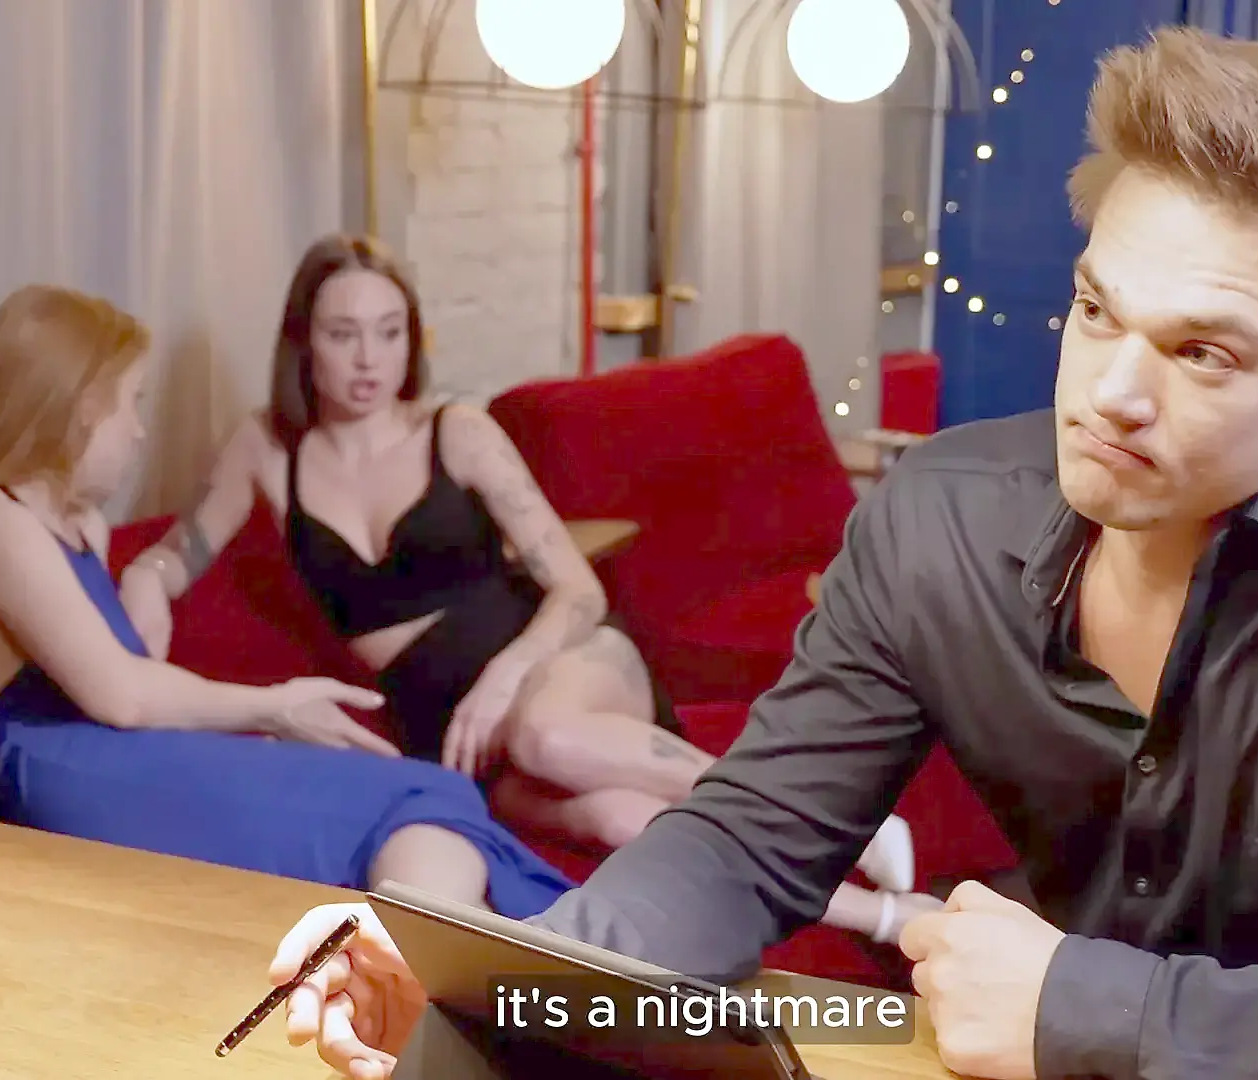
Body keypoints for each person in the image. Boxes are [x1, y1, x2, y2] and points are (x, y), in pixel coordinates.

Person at [262, 27, 1258, 1080]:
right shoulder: (936, 518)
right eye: (1097, 310)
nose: (1111, 394)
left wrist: (1086, 1006)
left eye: (1204, 353)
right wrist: (493, 996)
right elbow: (746, 841)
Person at [115, 234, 931, 944]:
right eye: (343, 334)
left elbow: (577, 589)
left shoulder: (457, 432)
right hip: (454, 736)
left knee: (550, 738)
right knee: (617, 819)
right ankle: (888, 917)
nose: (369, 359)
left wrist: (506, 675)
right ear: (303, 342)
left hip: (558, 662)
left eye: (390, 332)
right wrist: (146, 578)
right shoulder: (268, 449)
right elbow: (178, 553)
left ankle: (829, 823)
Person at [0, 283, 577, 920]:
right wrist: (273, 708)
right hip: (58, 777)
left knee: (434, 792)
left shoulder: (69, 519)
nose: (138, 432)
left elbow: (125, 682)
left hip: (112, 757)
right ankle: (495, 966)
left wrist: (147, 584)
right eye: (130, 403)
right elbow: (123, 697)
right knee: (410, 799)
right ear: (82, 407)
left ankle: (506, 962)